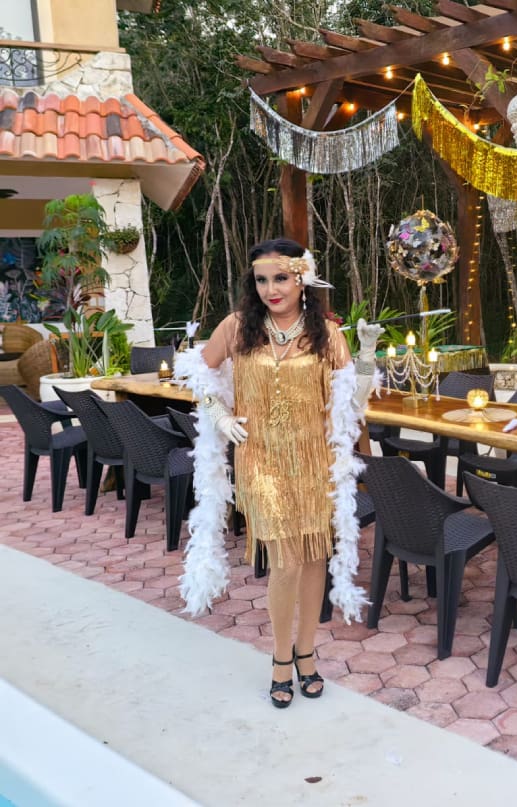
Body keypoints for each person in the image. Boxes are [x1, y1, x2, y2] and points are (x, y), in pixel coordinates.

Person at [174, 238, 383, 708]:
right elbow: (196, 373)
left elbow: (352, 402)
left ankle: (307, 654)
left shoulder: (327, 334)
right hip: (261, 462)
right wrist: (220, 414)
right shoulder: (237, 327)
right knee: (286, 560)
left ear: (302, 277)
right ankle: (281, 660)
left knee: (313, 557)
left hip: (314, 463)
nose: (272, 288)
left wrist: (367, 354)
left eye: (281, 278)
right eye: (263, 279)